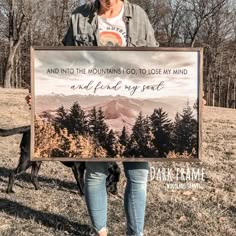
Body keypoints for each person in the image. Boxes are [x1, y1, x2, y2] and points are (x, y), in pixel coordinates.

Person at [62, 0, 158, 235]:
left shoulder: (139, 16)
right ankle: (100, 231)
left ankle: (135, 233)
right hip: (95, 105)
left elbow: (157, 60)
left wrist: (193, 93)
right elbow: (62, 59)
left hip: (133, 106)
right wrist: (38, 88)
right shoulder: (79, 16)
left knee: (138, 174)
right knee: (95, 173)